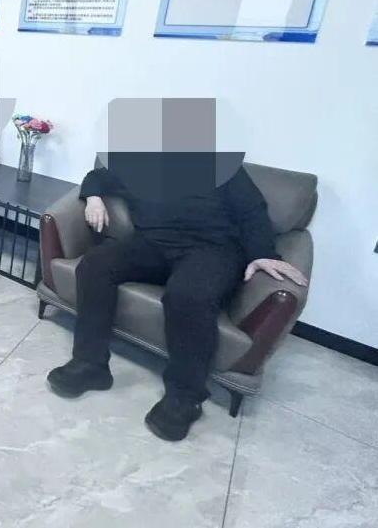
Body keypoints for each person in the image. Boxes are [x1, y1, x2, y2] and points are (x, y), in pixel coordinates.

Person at [46, 162, 308, 441]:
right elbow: (97, 176)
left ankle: (185, 396)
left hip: (212, 250)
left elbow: (251, 211)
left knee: (187, 295)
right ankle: (90, 364)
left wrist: (263, 254)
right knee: (95, 265)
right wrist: (93, 198)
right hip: (153, 244)